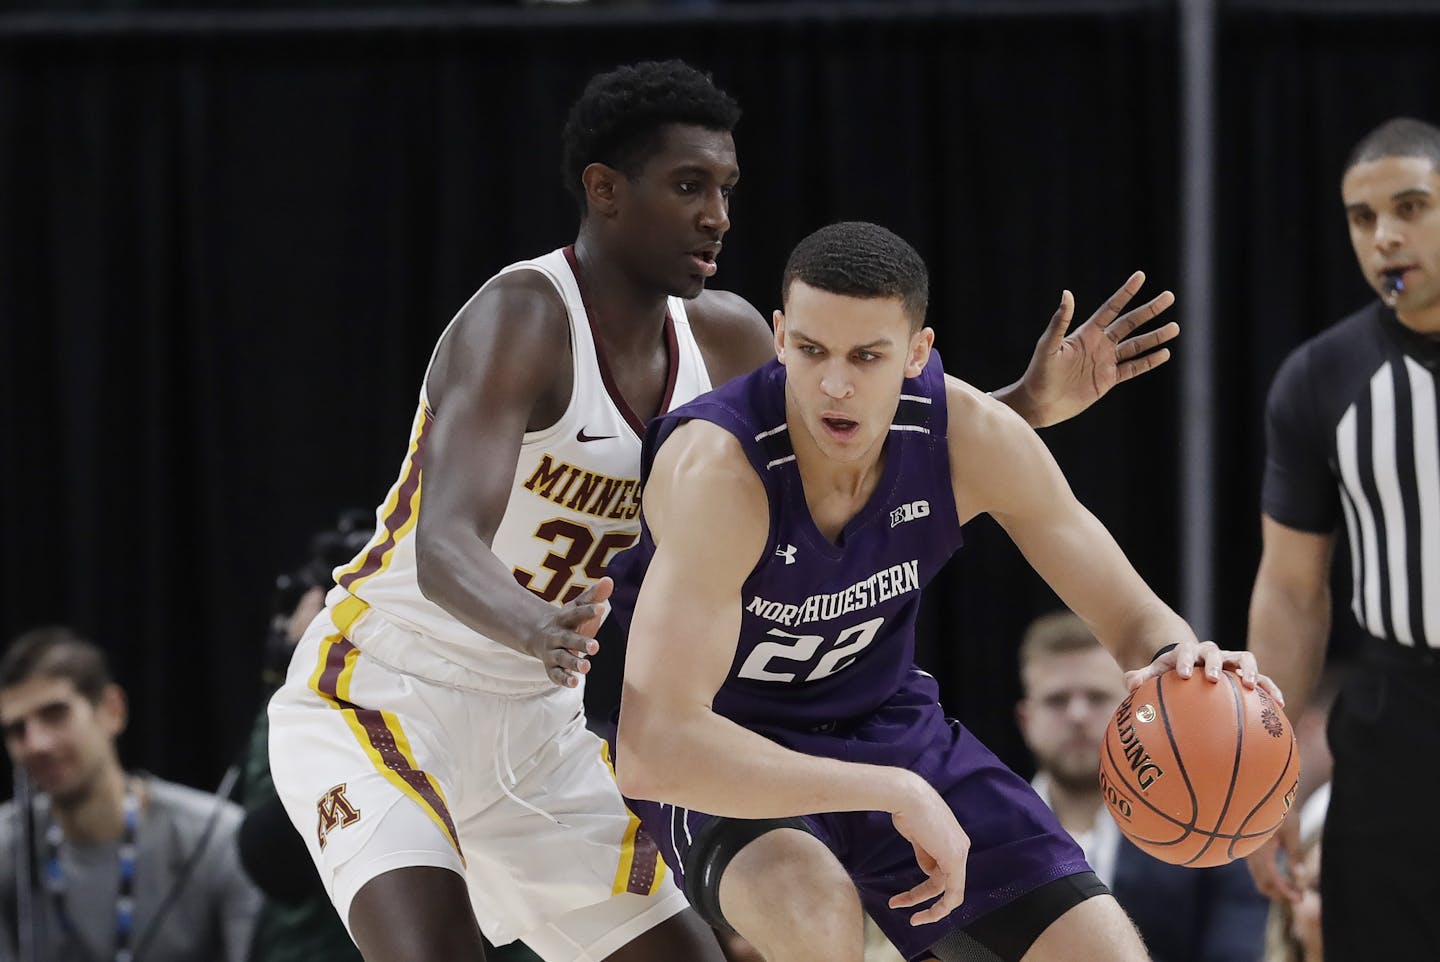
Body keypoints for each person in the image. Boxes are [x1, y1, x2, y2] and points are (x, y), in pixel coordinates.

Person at [267, 60, 1182, 962]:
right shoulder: (524, 318)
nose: (718, 214)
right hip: (390, 689)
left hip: (546, 727)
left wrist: (1017, 410)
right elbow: (443, 543)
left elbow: (850, 435)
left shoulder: (729, 336)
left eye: (727, 188)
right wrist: (537, 624)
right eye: (689, 185)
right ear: (606, 191)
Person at [608, 221, 1282, 962]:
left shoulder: (969, 434)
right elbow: (655, 746)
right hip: (725, 749)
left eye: (867, 356)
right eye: (811, 350)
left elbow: (1131, 615)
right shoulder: (722, 474)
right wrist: (891, 791)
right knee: (814, 920)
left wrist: (1183, 664)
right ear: (778, 337)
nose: (835, 383)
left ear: (916, 354)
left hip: (885, 726)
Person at [1244, 115, 1440, 961]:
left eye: (1411, 206)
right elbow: (1291, 589)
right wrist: (1268, 775)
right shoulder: (1322, 377)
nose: (1385, 236)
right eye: (1363, 218)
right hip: (1399, 720)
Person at [1016, 610, 1268, 962]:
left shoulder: (1208, 837)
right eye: (1057, 700)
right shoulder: (980, 834)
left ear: (1130, 711)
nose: (1077, 715)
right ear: (1026, 719)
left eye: (1096, 697)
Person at [0, 626, 262, 962]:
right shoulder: (8, 850)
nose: (37, 744)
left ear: (112, 710)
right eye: (17, 730)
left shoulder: (216, 838)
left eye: (55, 714)